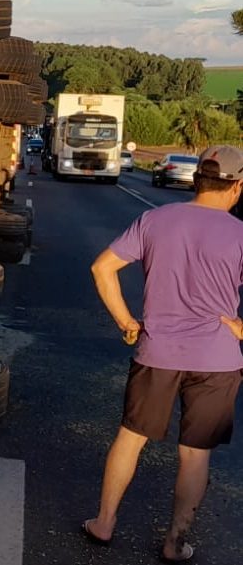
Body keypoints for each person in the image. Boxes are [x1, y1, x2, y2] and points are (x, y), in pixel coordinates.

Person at [84, 144, 243, 562]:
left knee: (131, 437)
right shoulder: (240, 234)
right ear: (237, 186)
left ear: (196, 179)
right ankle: (175, 542)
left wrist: (126, 322)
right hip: (218, 360)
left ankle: (104, 523)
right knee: (195, 453)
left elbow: (102, 268)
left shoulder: (155, 219)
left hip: (157, 352)